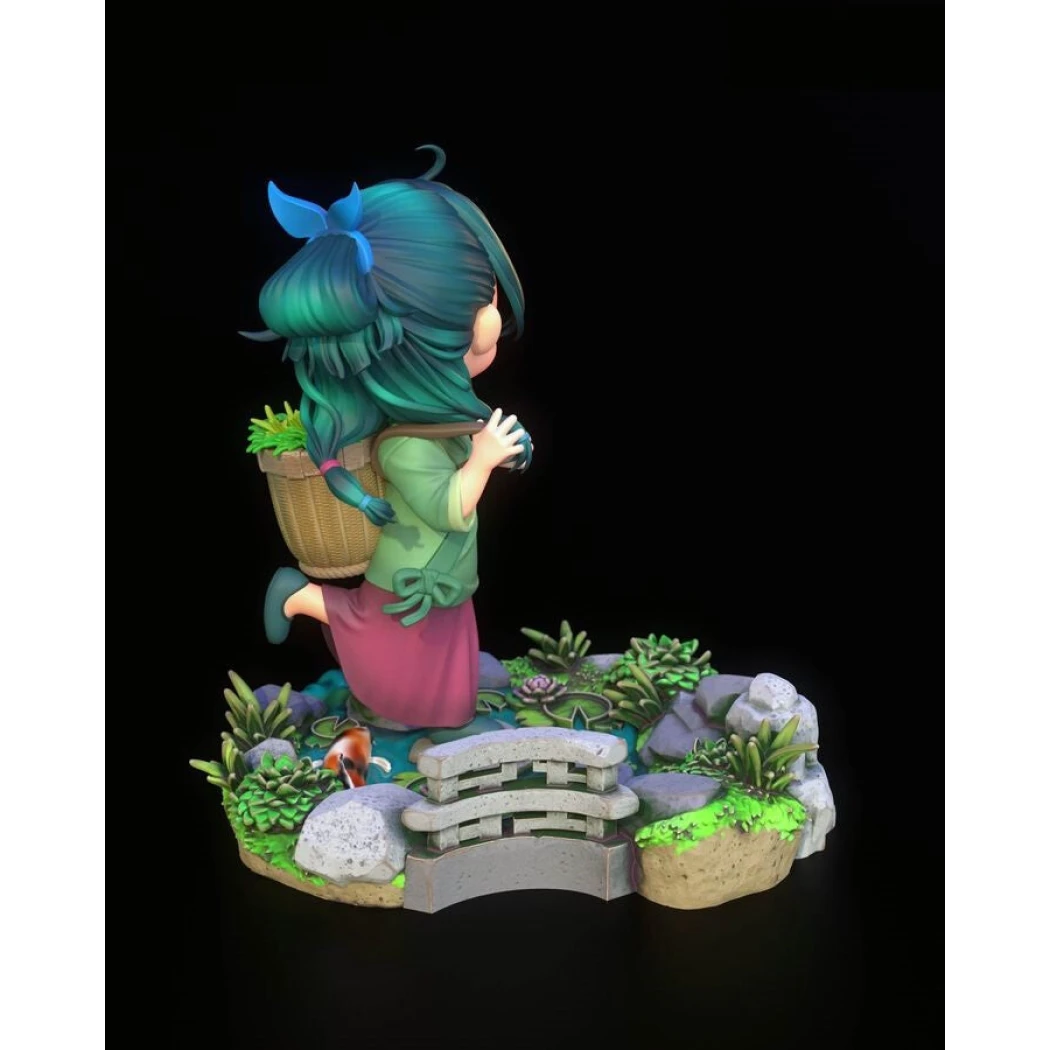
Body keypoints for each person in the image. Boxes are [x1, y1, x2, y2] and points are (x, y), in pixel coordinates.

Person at [240, 146, 532, 731]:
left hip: (447, 575)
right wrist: (482, 459)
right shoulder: (403, 445)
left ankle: (430, 716)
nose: (491, 321)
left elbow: (483, 453)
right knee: (381, 644)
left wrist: (506, 450)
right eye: (481, 305)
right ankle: (300, 597)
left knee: (444, 671)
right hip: (409, 574)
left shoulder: (446, 423)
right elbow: (448, 507)